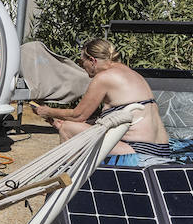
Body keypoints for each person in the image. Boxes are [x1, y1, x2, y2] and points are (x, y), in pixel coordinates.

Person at [29, 37, 171, 166]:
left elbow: (78, 115)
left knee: (68, 128)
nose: (82, 66)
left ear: (92, 60)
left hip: (138, 151)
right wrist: (61, 121)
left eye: (81, 61)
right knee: (68, 126)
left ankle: (72, 184)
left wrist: (46, 111)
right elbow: (114, 120)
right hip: (161, 149)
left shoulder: (104, 77)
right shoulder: (132, 74)